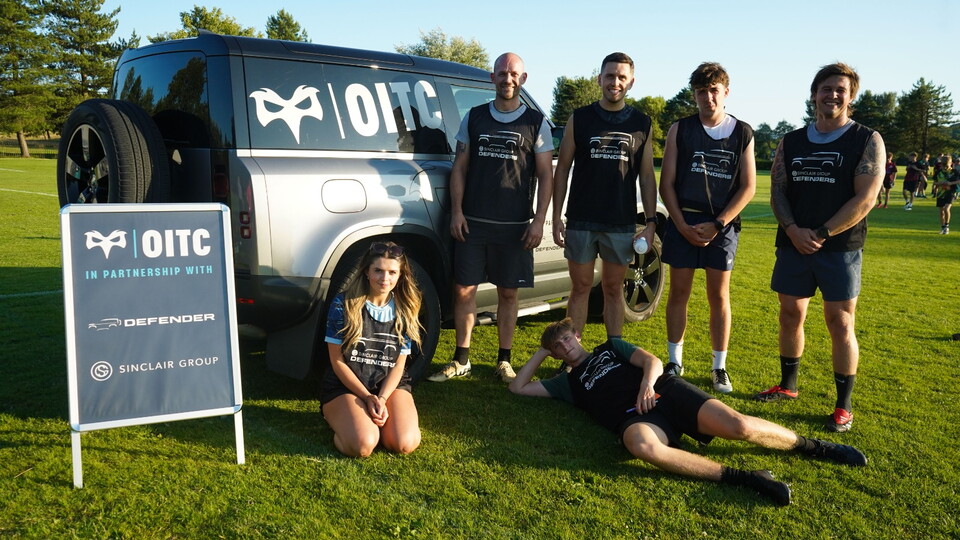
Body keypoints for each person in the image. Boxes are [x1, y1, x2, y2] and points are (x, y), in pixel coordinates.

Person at [508, 318, 867, 507]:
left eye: (566, 339)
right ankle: (749, 478)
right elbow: (518, 388)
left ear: (578, 335)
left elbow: (651, 361)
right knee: (642, 447)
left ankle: (815, 447)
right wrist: (541, 351)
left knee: (739, 426)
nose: (565, 347)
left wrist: (647, 385)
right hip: (635, 418)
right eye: (557, 347)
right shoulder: (567, 382)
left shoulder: (610, 347)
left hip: (664, 390)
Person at [759, 63, 885, 433]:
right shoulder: (791, 141)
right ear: (814, 94)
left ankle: (843, 406)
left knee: (840, 322)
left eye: (840, 89)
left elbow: (866, 198)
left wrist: (822, 232)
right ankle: (788, 385)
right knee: (789, 315)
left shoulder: (866, 139)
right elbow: (778, 190)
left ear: (851, 96)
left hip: (839, 247)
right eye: (826, 88)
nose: (832, 95)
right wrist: (793, 230)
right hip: (794, 242)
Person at [428, 52, 554, 383]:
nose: (507, 79)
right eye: (501, 73)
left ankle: (504, 361)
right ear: (492, 77)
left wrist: (539, 220)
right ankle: (462, 359)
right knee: (463, 291)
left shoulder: (536, 122)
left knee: (508, 294)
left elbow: (546, 175)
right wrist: (457, 211)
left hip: (514, 226)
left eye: (513, 74)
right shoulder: (475, 117)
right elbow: (460, 167)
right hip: (472, 222)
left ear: (522, 79)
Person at [658, 62, 757, 393]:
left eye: (714, 90)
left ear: (726, 92)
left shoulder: (743, 132)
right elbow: (666, 184)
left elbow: (748, 187)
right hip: (684, 221)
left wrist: (718, 224)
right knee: (679, 293)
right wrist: (681, 224)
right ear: (694, 95)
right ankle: (674, 361)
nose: (708, 97)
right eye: (701, 91)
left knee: (718, 295)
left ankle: (719, 367)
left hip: (721, 225)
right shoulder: (681, 129)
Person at [551, 52, 657, 338]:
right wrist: (557, 216)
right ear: (599, 79)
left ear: (631, 82)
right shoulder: (580, 118)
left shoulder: (641, 123)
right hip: (581, 219)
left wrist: (651, 222)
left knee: (613, 289)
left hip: (620, 221)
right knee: (580, 288)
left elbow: (647, 176)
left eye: (622, 77)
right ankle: (573, 355)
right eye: (610, 76)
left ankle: (614, 352)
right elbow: (562, 169)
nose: (615, 82)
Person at [321, 241, 423, 457]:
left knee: (403, 443)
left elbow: (399, 365)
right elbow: (337, 361)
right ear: (366, 271)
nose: (385, 278)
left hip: (388, 386)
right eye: (378, 270)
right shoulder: (343, 303)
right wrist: (367, 397)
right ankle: (346, 420)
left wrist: (382, 398)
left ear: (401, 275)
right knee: (362, 445)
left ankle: (377, 420)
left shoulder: (406, 307)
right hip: (346, 386)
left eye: (392, 272)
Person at [933, 156, 959, 234]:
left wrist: (950, 183)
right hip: (941, 193)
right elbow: (935, 182)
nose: (945, 166)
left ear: (951, 163)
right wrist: (941, 183)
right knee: (941, 211)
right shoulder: (938, 172)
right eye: (943, 164)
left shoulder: (954, 172)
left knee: (946, 208)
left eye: (947, 164)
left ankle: (947, 226)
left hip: (951, 192)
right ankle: (942, 227)